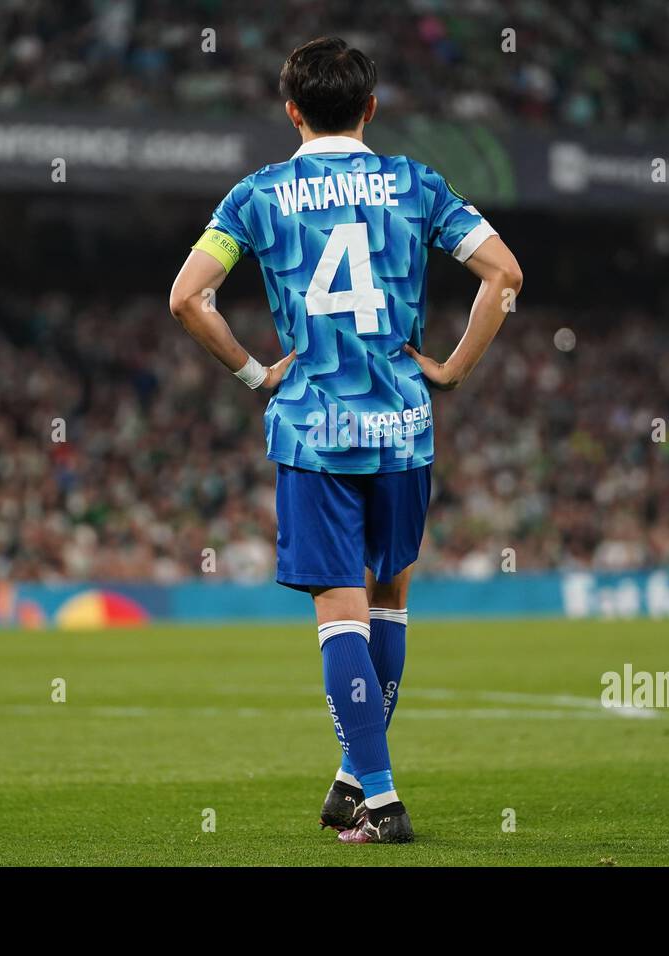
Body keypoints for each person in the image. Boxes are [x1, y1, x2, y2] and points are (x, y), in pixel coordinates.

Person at [168, 37, 522, 843]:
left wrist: (259, 377)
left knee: (339, 612)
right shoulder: (416, 185)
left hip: (314, 427)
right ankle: (355, 776)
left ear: (291, 111)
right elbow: (504, 275)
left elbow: (189, 300)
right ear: (371, 108)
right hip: (403, 423)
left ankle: (385, 799)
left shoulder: (257, 196)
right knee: (388, 604)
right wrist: (454, 370)